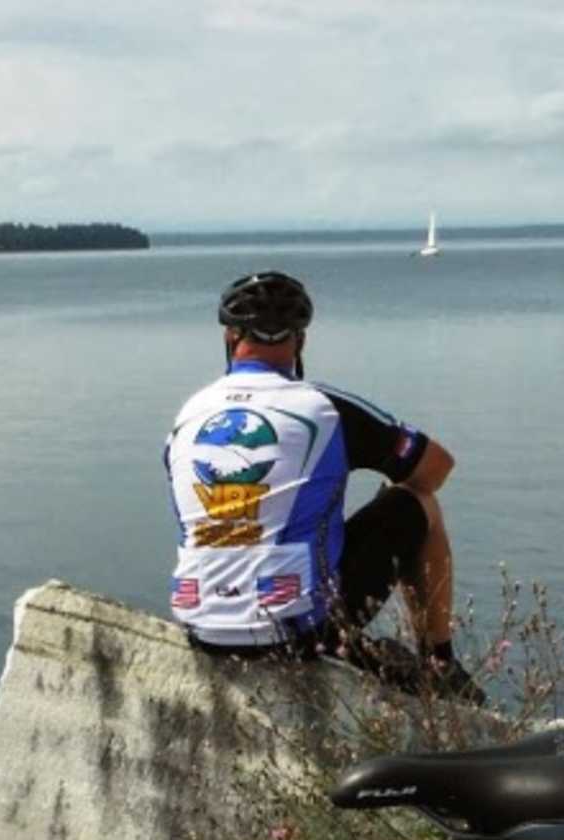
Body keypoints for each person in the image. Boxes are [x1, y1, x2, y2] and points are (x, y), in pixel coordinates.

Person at [164, 270, 482, 701]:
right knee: (417, 503)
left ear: (228, 336)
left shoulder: (188, 416)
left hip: (202, 627)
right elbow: (437, 470)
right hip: (295, 634)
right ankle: (439, 663)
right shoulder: (322, 408)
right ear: (300, 341)